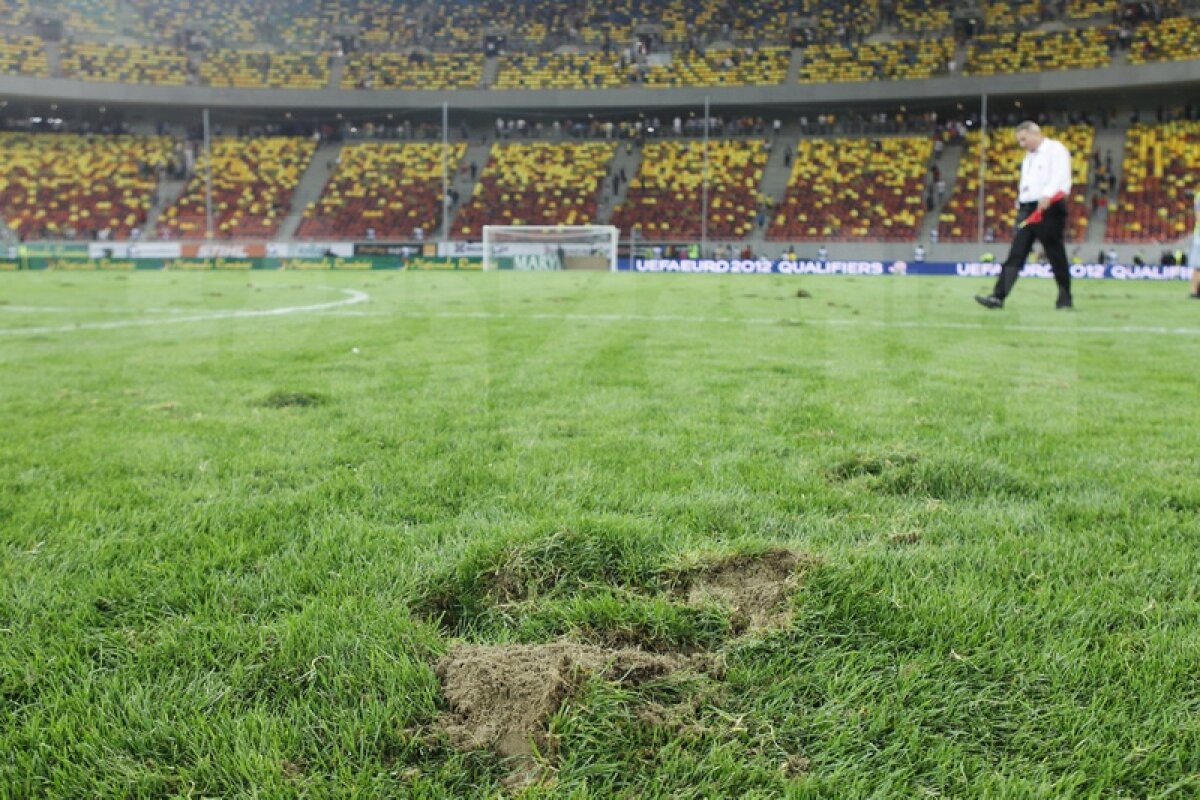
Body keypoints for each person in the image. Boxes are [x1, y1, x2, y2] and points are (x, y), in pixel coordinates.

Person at [975, 121, 1074, 310]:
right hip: (1029, 209)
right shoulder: (1028, 157)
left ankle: (1065, 298)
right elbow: (1027, 182)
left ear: (1034, 133)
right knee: (1017, 253)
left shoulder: (1056, 149)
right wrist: (1021, 202)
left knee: (1055, 254)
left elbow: (1060, 175)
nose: (1022, 144)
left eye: (1023, 139)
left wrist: (1047, 196)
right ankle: (998, 297)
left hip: (1049, 207)